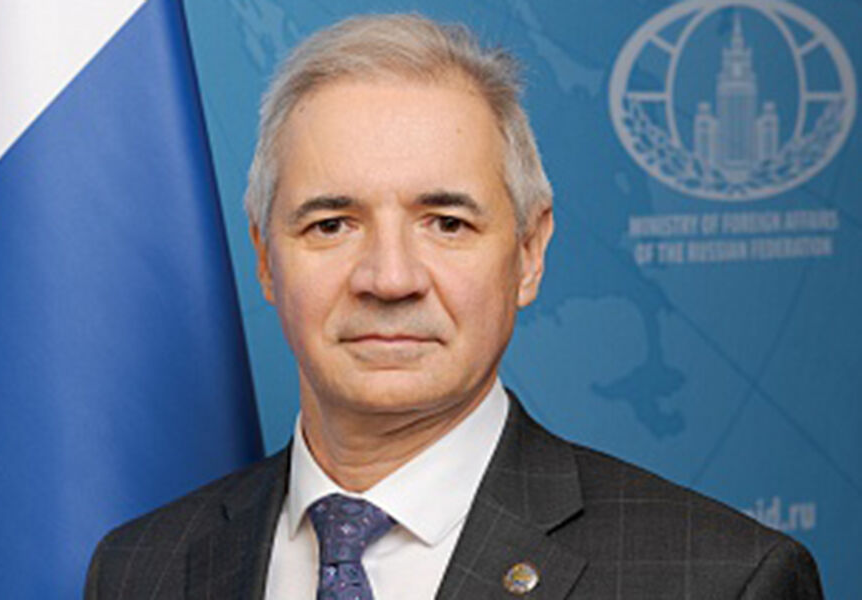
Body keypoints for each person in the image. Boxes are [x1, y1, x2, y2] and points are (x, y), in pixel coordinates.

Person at [85, 14, 822, 599]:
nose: (390, 278)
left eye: (446, 223)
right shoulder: (141, 569)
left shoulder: (720, 580)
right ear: (264, 258)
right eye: (332, 224)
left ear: (528, 253)